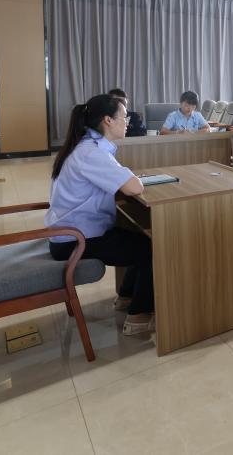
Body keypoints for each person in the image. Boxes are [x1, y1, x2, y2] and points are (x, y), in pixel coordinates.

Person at [45, 94, 156, 335]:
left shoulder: (85, 146)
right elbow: (134, 187)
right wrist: (129, 177)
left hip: (70, 233)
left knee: (138, 239)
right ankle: (139, 317)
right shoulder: (91, 152)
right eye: (124, 117)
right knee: (150, 248)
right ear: (108, 120)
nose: (127, 122)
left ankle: (126, 297)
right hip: (75, 240)